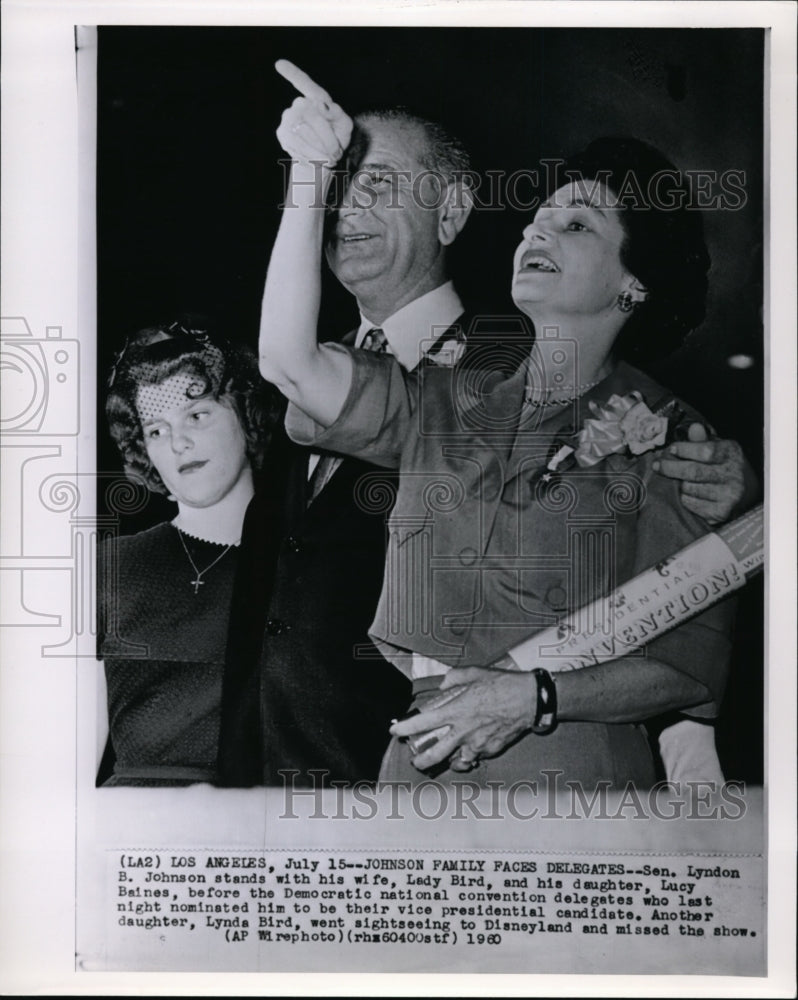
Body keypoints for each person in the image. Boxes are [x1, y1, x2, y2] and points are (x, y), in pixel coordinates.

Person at [258, 65, 750, 787]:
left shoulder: (676, 439)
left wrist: (534, 698)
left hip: (570, 760)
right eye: (536, 219)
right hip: (418, 754)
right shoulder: (441, 399)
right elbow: (290, 363)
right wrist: (308, 175)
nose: (537, 231)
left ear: (632, 283)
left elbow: (685, 669)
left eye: (576, 223)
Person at [97, 321, 276, 787]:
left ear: (245, 411)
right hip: (132, 827)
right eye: (156, 430)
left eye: (196, 415)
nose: (178, 443)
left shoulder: (301, 564)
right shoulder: (108, 567)